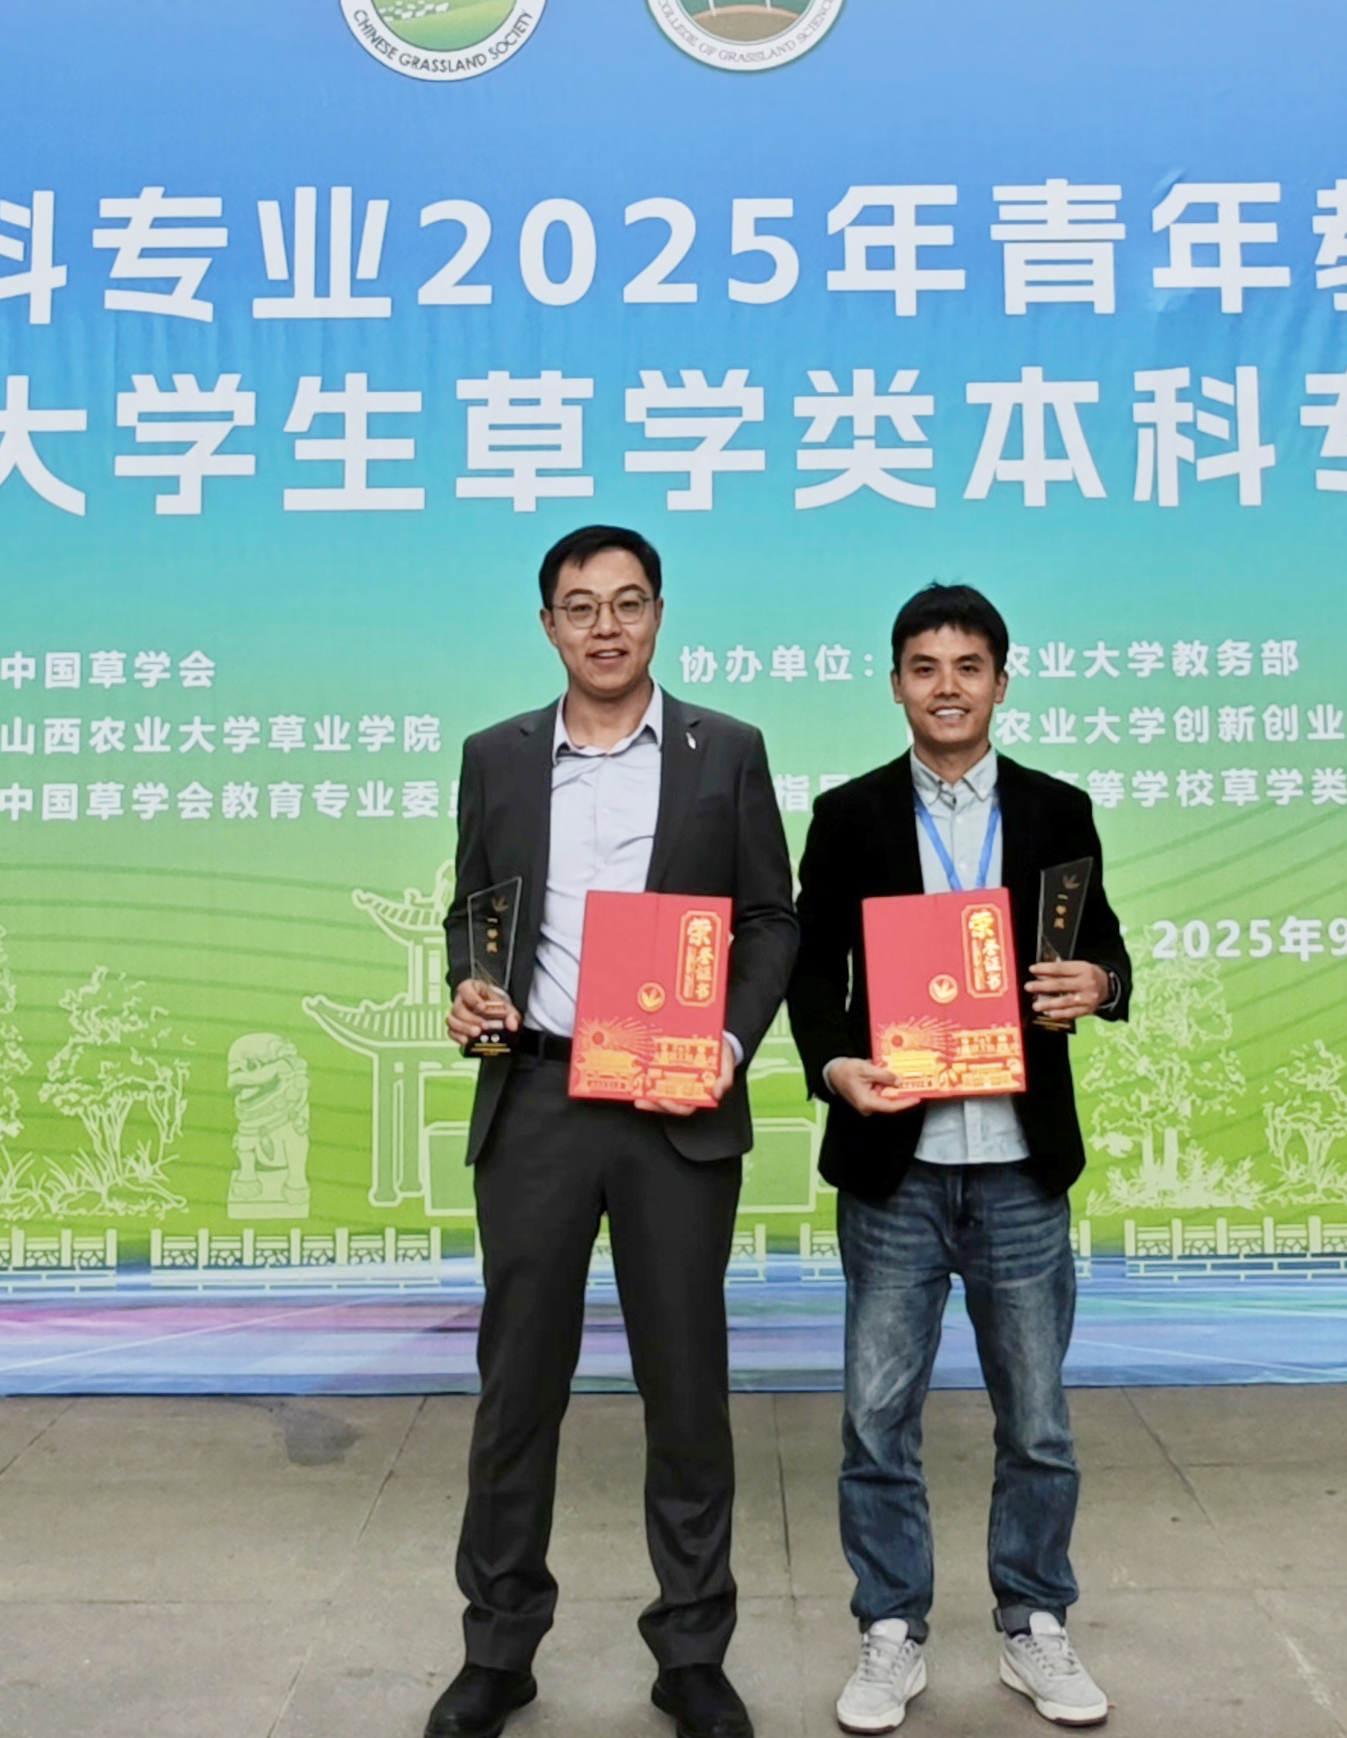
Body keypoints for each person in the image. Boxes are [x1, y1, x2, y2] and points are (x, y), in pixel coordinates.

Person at [430, 524, 798, 1738]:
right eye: (580, 605)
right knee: (516, 1388)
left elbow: (770, 919)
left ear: (659, 615)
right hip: (537, 1097)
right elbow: (472, 910)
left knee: (685, 1388)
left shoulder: (724, 749)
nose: (605, 625)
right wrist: (470, 984)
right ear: (548, 624)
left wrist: (726, 1043)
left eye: (628, 601)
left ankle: (692, 1650)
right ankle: (497, 1648)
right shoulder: (495, 755)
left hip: (674, 1104)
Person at [786, 583, 1130, 1732]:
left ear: (1000, 680)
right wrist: (834, 1065)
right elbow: (810, 971)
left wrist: (1101, 982)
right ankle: (891, 1628)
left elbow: (1101, 948)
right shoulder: (848, 814)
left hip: (1020, 1160)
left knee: (1036, 1420)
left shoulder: (1055, 809)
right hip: (897, 1159)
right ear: (895, 683)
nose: (947, 686)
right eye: (925, 666)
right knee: (876, 1418)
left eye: (968, 665)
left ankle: (1033, 1620)